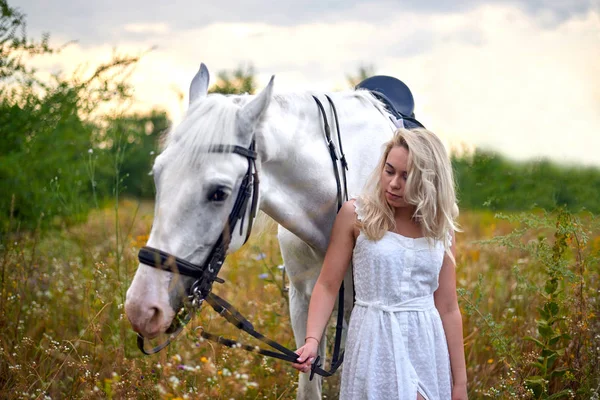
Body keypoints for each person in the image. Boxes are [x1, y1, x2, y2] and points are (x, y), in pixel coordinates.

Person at [292, 128, 468, 399]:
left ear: (429, 181)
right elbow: (327, 285)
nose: (394, 183)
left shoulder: (440, 229)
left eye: (407, 176)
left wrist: (460, 385)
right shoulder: (356, 214)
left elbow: (447, 307)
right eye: (389, 170)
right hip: (374, 338)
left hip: (425, 344)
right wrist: (312, 340)